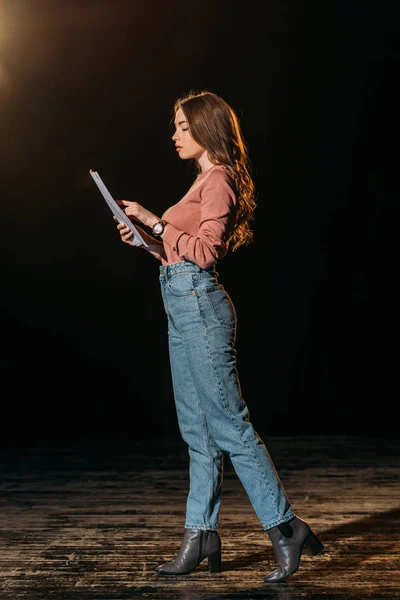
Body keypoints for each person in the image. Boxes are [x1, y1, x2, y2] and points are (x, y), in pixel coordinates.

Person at [113, 89, 324, 583]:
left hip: (201, 307)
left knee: (229, 426)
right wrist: (144, 238)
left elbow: (205, 254)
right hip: (180, 304)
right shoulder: (202, 182)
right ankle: (201, 534)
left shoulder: (220, 180)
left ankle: (284, 526)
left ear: (206, 129)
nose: (174, 134)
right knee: (198, 433)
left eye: (183, 126)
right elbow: (178, 251)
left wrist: (154, 220)